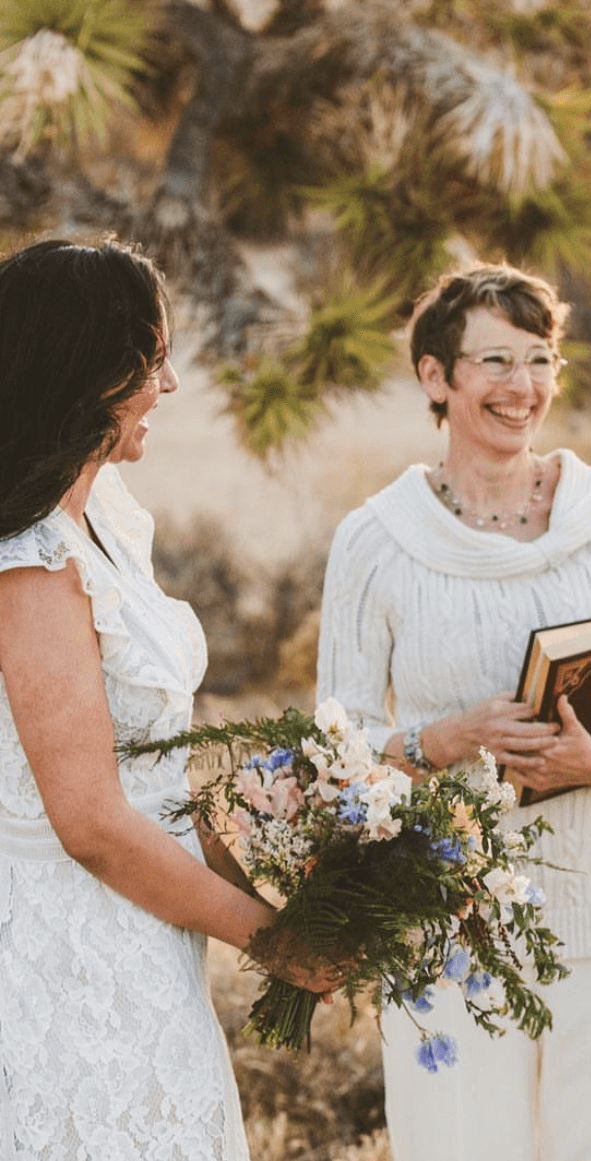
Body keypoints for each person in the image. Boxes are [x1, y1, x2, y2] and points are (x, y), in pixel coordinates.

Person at [316, 261, 591, 1160]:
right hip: (447, 920)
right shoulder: (377, 540)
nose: (522, 386)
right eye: (494, 361)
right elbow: (332, 745)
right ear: (435, 377)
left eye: (540, 359)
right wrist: (444, 739)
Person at [0, 238, 339, 1160]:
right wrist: (273, 944)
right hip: (71, 955)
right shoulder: (32, 563)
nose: (172, 383)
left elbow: (149, 779)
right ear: (86, 372)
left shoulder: (103, 517)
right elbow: (92, 821)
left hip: (144, 928)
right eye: (151, 361)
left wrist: (289, 853)